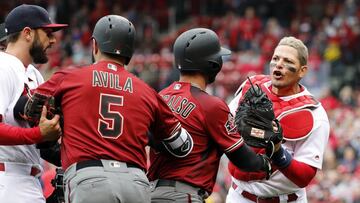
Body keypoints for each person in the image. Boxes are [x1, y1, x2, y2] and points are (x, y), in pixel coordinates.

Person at [28, 15, 193, 203]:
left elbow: (25, 107)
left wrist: (52, 140)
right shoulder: (147, 91)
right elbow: (182, 146)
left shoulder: (70, 77)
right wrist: (148, 137)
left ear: (95, 46)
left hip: (89, 178)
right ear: (129, 51)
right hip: (135, 182)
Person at [148, 28, 280, 203]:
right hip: (183, 195)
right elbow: (244, 160)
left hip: (151, 193)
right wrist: (268, 162)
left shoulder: (160, 96)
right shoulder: (211, 105)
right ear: (212, 64)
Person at [226, 36, 330, 203]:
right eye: (275, 58)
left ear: (302, 70)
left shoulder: (313, 113)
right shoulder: (251, 87)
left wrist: (277, 152)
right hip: (239, 195)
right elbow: (224, 126)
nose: (279, 64)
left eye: (287, 60)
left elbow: (305, 176)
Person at [0, 4, 65, 203]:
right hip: (7, 177)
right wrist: (38, 134)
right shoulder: (3, 66)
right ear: (27, 33)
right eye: (47, 32)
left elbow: (43, 143)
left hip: (28, 179)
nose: (53, 39)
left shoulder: (34, 74)